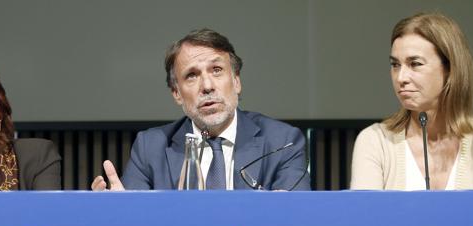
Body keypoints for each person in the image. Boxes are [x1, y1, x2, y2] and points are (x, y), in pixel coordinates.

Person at [92, 28, 310, 190]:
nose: (207, 86)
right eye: (192, 75)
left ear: (236, 82)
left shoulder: (283, 142)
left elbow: (291, 223)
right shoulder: (150, 148)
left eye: (216, 70)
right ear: (176, 93)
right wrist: (117, 213)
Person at [351, 13, 473, 190]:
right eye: (395, 65)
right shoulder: (376, 141)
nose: (401, 77)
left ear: (451, 69)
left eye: (415, 64)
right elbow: (366, 215)